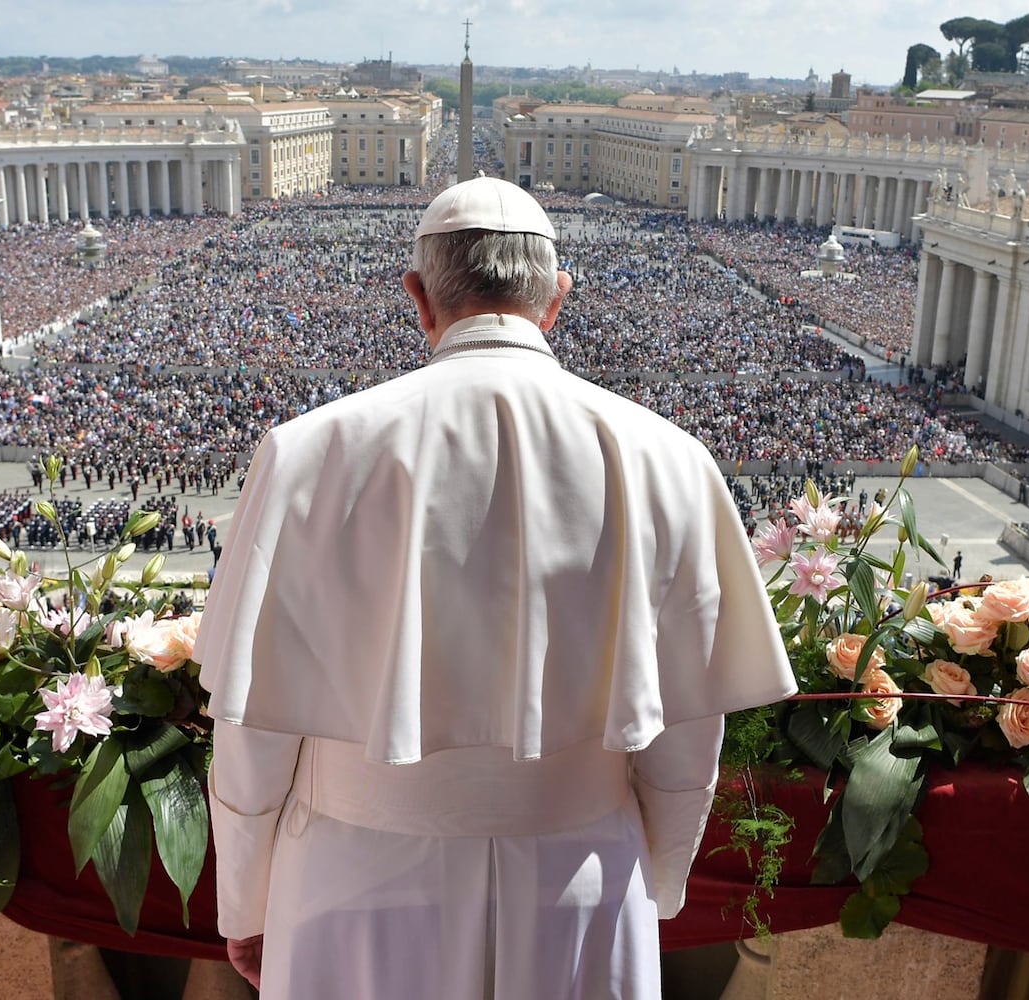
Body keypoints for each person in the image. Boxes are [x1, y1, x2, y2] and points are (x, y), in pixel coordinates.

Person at [194, 177, 797, 999]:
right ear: (557, 300)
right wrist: (655, 880)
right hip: (578, 872)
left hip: (352, 875)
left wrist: (246, 900)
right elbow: (686, 735)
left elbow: (253, 728)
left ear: (417, 297)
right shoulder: (671, 458)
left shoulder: (308, 451)